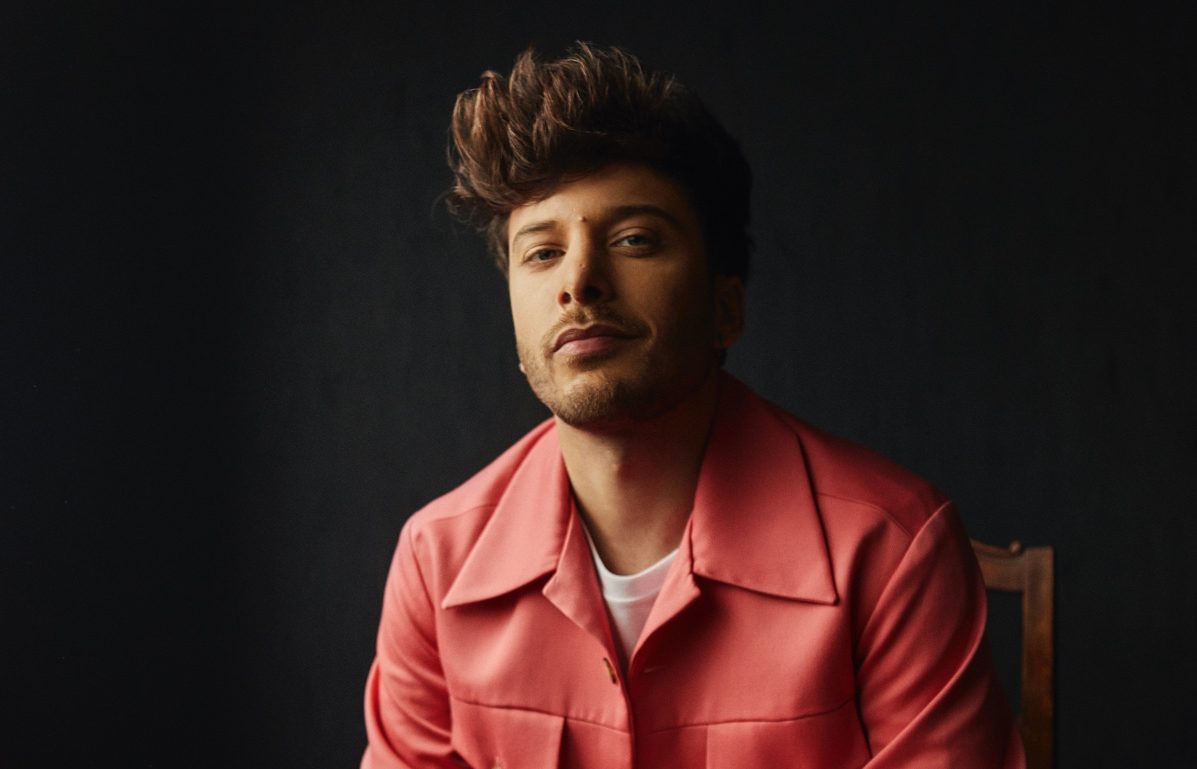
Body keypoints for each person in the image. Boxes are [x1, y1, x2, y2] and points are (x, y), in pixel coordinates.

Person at [361, 43, 1024, 769]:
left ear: (724, 309)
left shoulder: (892, 550)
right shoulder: (436, 561)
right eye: (542, 252)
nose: (579, 281)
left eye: (635, 239)